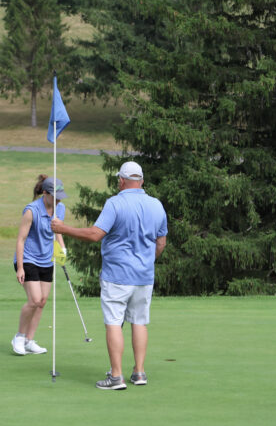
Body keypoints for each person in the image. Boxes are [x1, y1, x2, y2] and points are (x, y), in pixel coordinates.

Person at [51, 161, 167, 390]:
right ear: (141, 181)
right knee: (140, 322)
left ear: (121, 181)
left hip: (117, 275)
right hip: (144, 276)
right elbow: (161, 243)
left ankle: (116, 377)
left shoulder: (115, 203)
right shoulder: (156, 205)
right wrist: (146, 261)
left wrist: (63, 229)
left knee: (114, 322)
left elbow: (95, 234)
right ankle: (139, 372)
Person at [12, 175, 68, 356]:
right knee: (34, 300)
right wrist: (20, 267)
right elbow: (20, 240)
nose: (58, 199)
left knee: (42, 302)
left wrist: (63, 249)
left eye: (60, 196)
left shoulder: (60, 208)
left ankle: (29, 340)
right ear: (45, 193)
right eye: (54, 195)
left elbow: (57, 230)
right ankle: (19, 337)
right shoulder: (31, 211)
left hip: (47, 259)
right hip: (28, 259)